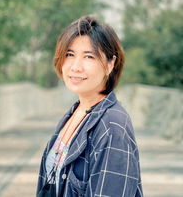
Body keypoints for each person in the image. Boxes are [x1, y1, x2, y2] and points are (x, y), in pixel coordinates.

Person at [36, 15, 143, 197]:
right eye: (70, 54)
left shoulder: (112, 125)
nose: (76, 67)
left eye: (89, 56)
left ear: (111, 64)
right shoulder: (76, 112)